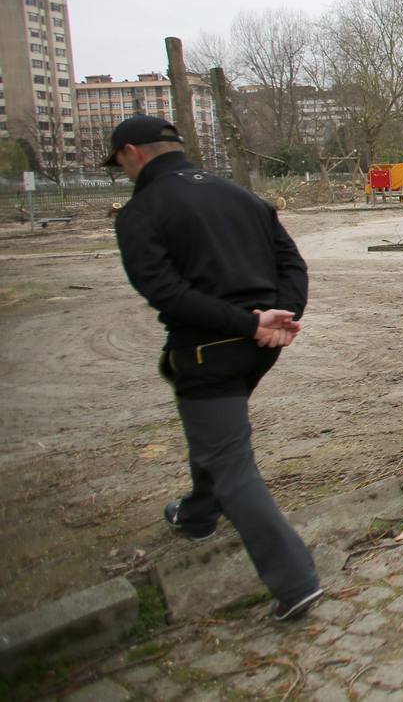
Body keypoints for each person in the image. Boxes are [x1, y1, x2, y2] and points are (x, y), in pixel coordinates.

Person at [104, 115, 322, 622]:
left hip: (209, 350)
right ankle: (199, 514)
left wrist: (249, 324)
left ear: (132, 153)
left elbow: (167, 293)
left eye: (119, 164)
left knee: (229, 462)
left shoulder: (141, 211)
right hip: (260, 345)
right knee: (214, 434)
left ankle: (296, 581)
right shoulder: (239, 196)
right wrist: (281, 317)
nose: (123, 173)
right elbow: (292, 264)